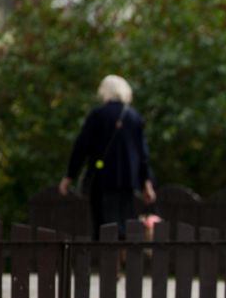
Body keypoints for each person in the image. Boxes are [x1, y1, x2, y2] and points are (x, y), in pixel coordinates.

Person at [59, 74, 157, 239]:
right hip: (128, 181)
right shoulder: (134, 117)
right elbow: (143, 155)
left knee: (103, 225)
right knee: (125, 223)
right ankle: (122, 253)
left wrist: (69, 175)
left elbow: (81, 147)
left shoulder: (98, 115)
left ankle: (108, 255)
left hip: (102, 179)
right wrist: (146, 183)